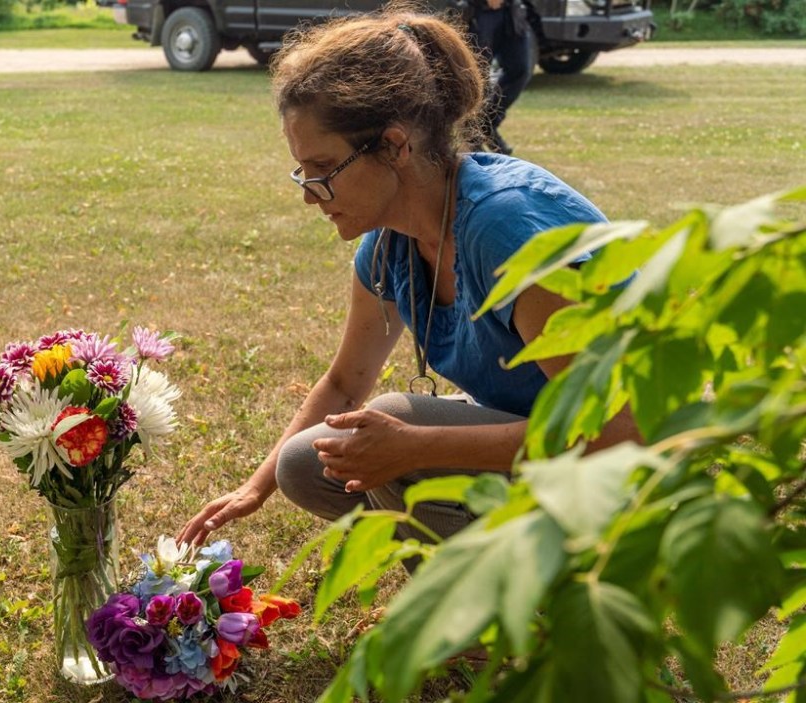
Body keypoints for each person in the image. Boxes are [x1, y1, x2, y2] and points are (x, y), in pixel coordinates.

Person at [179, 4, 638, 551]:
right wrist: (253, 490)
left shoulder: (505, 229)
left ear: (395, 146)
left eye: (323, 171)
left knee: (392, 424)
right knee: (305, 463)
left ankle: (485, 627)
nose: (309, 194)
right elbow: (345, 383)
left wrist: (416, 445)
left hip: (625, 472)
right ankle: (491, 585)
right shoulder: (390, 241)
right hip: (541, 451)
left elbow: (614, 432)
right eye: (303, 172)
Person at [468, 0, 534, 155]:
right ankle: (472, 138)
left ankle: (487, 123)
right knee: (477, 76)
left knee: (520, 69)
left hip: (510, 10)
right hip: (478, 11)